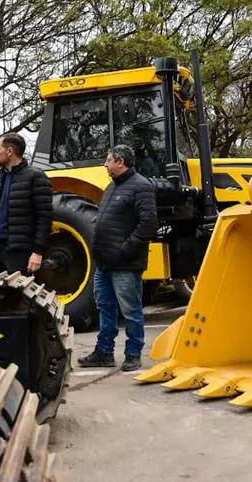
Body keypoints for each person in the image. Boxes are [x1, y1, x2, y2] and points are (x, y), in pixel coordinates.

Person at [77, 145, 158, 372]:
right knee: (105, 307)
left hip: (125, 264)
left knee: (131, 310)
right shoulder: (112, 186)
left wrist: (123, 250)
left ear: (120, 162)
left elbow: (148, 225)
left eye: (109, 160)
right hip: (104, 264)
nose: (105, 164)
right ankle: (104, 352)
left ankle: (133, 354)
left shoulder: (141, 187)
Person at [0, 133, 52, 275]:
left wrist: (38, 252)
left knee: (17, 297)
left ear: (9, 151)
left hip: (20, 254)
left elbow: (44, 218)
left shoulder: (36, 177)